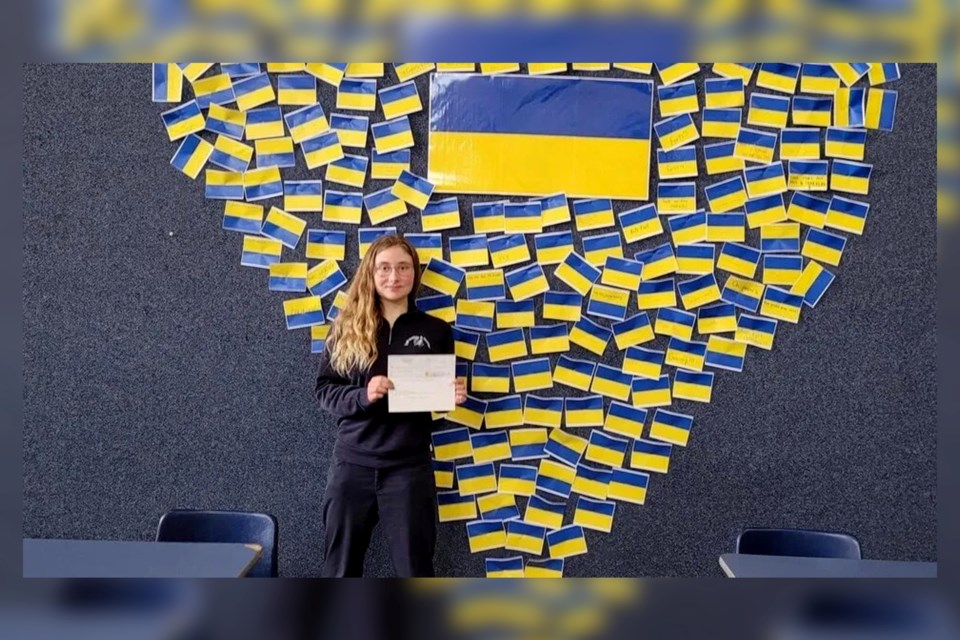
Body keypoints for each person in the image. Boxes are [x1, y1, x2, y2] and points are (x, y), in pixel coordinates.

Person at [315, 234, 467, 577]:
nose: (393, 277)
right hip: (352, 465)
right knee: (339, 570)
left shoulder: (437, 330)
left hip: (409, 468)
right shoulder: (346, 328)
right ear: (370, 272)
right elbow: (325, 390)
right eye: (384, 268)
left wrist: (449, 397)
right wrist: (363, 395)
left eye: (403, 268)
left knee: (414, 571)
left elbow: (433, 405)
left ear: (415, 274)